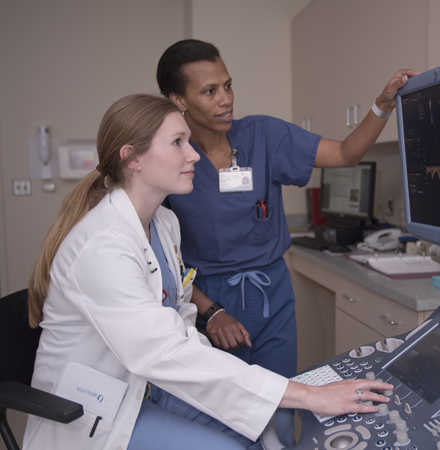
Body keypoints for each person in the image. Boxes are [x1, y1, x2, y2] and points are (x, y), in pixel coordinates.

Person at [23, 94, 393, 450]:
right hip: (100, 409)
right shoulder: (102, 247)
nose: (194, 154)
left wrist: (270, 393)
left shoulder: (164, 223)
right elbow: (162, 352)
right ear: (132, 158)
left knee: (273, 424)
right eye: (178, 143)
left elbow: (181, 325)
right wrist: (309, 394)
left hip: (150, 386)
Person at [156, 39, 418, 378]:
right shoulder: (171, 158)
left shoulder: (264, 135)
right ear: (179, 100)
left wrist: (383, 105)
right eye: (209, 91)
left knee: (281, 402)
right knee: (228, 415)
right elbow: (162, 257)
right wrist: (212, 312)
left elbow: (344, 155)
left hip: (272, 293)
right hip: (207, 299)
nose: (226, 99)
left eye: (228, 85)